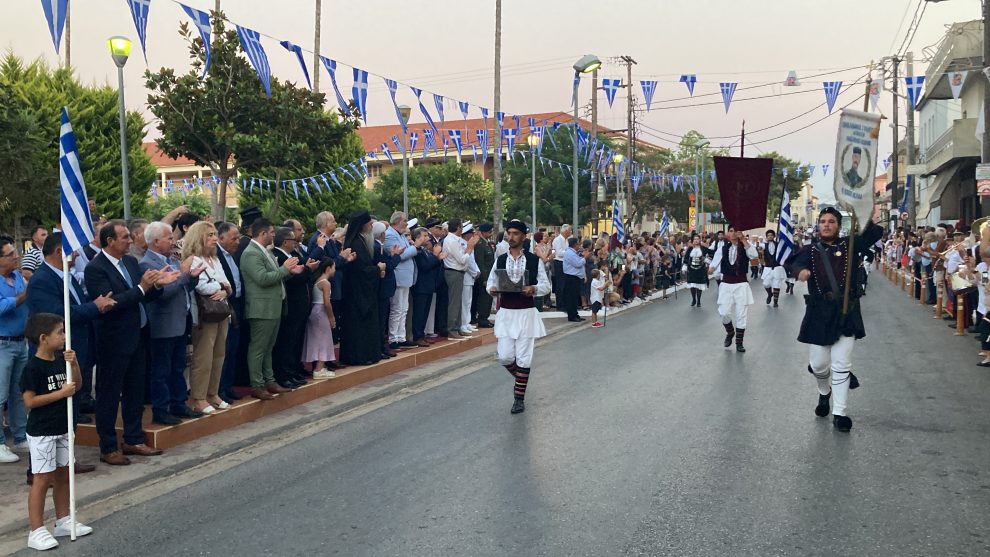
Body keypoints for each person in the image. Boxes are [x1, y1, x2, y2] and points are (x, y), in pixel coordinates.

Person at [85, 219, 178, 465]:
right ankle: (107, 446)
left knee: (136, 390)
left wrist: (158, 285)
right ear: (110, 241)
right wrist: (141, 287)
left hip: (138, 334)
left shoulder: (130, 262)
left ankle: (133, 438)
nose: (130, 240)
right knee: (109, 393)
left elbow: (143, 294)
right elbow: (110, 303)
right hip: (113, 340)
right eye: (125, 237)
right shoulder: (96, 269)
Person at [790, 208, 881, 432]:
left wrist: (867, 212)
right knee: (819, 365)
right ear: (818, 226)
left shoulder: (850, 246)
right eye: (823, 222)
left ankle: (840, 413)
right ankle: (824, 392)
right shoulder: (810, 251)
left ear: (839, 226)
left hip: (846, 313)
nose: (827, 225)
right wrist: (800, 272)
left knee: (841, 365)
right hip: (819, 314)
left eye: (831, 222)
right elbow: (792, 264)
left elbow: (873, 234)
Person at [20, 313, 94, 550]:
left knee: (64, 473)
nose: (64, 337)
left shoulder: (62, 359)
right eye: (60, 332)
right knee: (42, 478)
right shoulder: (32, 367)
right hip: (43, 431)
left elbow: (78, 385)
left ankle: (63, 519)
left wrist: (73, 363)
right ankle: (36, 529)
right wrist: (59, 394)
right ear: (43, 338)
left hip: (64, 426)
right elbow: (30, 402)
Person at [27, 232, 116, 430]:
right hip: (56, 355)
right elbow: (58, 314)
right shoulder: (42, 280)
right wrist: (95, 306)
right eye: (73, 251)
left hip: (75, 351)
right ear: (60, 252)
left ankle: (70, 457)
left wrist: (98, 306)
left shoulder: (67, 275)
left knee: (73, 403)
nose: (77, 255)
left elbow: (78, 305)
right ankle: (57, 458)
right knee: (58, 407)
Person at [140, 222, 206, 424]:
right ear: (156, 241)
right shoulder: (146, 264)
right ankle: (161, 409)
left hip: (180, 319)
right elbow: (163, 292)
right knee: (162, 369)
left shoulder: (171, 260)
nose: (173, 241)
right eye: (169, 238)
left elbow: (182, 286)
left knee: (178, 366)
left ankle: (179, 403)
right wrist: (185, 276)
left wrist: (192, 278)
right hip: (163, 324)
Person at [487, 219, 551, 414]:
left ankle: (518, 398)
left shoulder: (534, 260)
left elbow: (546, 286)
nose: (511, 237)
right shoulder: (499, 259)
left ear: (523, 236)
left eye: (515, 233)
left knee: (524, 358)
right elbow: (490, 282)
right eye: (509, 233)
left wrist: (533, 288)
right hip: (506, 312)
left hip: (526, 312)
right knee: (505, 356)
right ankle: (521, 379)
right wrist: (492, 290)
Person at [240, 218, 303, 400]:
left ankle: (269, 380)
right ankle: (257, 384)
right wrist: (285, 269)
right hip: (261, 308)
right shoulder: (251, 253)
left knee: (269, 347)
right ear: (263, 234)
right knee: (258, 348)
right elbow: (262, 279)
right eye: (272, 233)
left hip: (273, 306)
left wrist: (290, 272)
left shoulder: (264, 251)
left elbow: (275, 277)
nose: (274, 236)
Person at [184, 221, 234, 414]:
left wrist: (224, 289)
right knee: (203, 356)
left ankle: (213, 393)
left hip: (221, 311)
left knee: (219, 354)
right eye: (210, 235)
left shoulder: (215, 259)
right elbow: (202, 286)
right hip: (205, 314)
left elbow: (226, 282)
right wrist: (222, 288)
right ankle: (198, 397)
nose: (214, 238)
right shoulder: (193, 260)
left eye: (215, 234)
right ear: (199, 238)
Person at [273, 227, 317, 388]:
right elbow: (292, 278)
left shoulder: (292, 255)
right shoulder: (278, 256)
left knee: (296, 340)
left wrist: (305, 269)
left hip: (301, 305)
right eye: (293, 240)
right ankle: (284, 374)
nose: (296, 242)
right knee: (287, 341)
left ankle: (293, 370)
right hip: (290, 305)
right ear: (285, 242)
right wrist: (308, 270)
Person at [340, 211, 385, 365]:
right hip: (357, 292)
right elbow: (362, 270)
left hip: (363, 291)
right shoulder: (355, 243)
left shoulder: (360, 241)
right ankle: (360, 356)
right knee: (358, 326)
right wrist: (378, 269)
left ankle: (368, 354)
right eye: (370, 223)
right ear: (363, 225)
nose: (372, 226)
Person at [0, 235, 30, 463]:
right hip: (2, 343)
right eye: (10, 254)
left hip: (21, 341)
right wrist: (21, 298)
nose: (16, 256)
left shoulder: (18, 277)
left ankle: (20, 437)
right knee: (0, 396)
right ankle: (0, 443)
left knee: (19, 393)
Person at [708, 226, 758, 353]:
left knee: (741, 314)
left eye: (735, 231)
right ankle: (730, 332)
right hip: (726, 284)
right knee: (724, 312)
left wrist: (744, 240)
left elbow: (754, 256)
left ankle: (739, 343)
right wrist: (711, 269)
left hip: (741, 284)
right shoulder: (722, 248)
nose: (733, 233)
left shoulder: (746, 246)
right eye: (730, 231)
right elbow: (714, 263)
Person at [215, 222, 244, 403]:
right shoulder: (217, 255)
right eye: (234, 238)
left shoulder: (231, 255)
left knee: (233, 348)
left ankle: (228, 385)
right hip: (224, 306)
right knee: (223, 350)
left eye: (238, 237)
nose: (238, 241)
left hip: (237, 304)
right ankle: (220, 389)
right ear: (222, 238)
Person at [384, 212, 419, 350]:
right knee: (397, 309)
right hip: (398, 276)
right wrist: (415, 247)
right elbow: (401, 255)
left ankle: (401, 336)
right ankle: (393, 338)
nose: (406, 223)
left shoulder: (401, 235)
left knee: (404, 308)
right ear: (398, 221)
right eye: (405, 220)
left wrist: (412, 247)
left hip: (406, 277)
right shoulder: (390, 235)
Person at [442, 218, 478, 339]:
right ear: (458, 228)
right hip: (454, 272)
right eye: (461, 227)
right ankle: (452, 330)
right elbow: (462, 259)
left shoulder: (455, 240)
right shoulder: (451, 240)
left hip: (458, 272)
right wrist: (470, 247)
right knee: (454, 302)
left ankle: (457, 327)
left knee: (459, 302)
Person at [303, 258, 338, 379]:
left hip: (314, 310)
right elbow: (327, 303)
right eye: (334, 267)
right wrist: (331, 317)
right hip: (321, 311)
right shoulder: (325, 283)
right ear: (328, 268)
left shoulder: (317, 280)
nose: (335, 270)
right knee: (324, 340)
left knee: (317, 339)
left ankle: (319, 367)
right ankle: (319, 368)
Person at [412, 227, 445, 346]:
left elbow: (432, 263)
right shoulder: (418, 251)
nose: (428, 238)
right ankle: (417, 335)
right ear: (417, 237)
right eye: (425, 236)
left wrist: (437, 258)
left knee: (425, 312)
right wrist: (436, 256)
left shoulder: (425, 250)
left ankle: (422, 334)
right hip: (421, 285)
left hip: (428, 285)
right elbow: (425, 265)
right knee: (419, 312)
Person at [473, 224, 496, 328]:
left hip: (490, 275)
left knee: (488, 298)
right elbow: (480, 263)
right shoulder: (480, 244)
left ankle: (485, 317)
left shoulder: (486, 243)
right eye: (490, 232)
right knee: (484, 299)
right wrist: (484, 278)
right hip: (484, 276)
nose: (491, 234)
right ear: (484, 232)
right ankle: (482, 318)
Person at [459, 223, 481, 335]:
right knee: (464, 302)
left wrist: (477, 271)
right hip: (466, 276)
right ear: (467, 235)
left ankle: (466, 322)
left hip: (470, 276)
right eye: (471, 233)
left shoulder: (468, 244)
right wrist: (474, 272)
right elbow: (467, 261)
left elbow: (473, 260)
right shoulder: (463, 244)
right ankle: (463, 324)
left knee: (468, 302)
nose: (473, 235)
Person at [562, 236, 586, 322]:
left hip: (576, 277)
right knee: (571, 297)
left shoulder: (574, 252)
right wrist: (585, 258)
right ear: (575, 244)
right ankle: (572, 316)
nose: (579, 245)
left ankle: (575, 314)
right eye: (578, 244)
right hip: (571, 277)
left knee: (575, 297)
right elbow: (578, 263)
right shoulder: (570, 253)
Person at [762, 229, 786, 307]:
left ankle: (775, 302)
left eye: (771, 235)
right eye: (768, 235)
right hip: (768, 268)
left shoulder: (779, 245)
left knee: (776, 285)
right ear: (766, 237)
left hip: (777, 267)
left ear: (774, 236)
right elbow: (760, 255)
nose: (770, 236)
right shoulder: (763, 246)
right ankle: (770, 294)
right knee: (766, 284)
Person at [683, 235, 709, 308]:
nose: (696, 240)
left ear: (699, 240)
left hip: (701, 270)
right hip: (691, 270)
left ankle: (699, 301)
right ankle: (694, 299)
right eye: (694, 239)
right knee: (692, 285)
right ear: (692, 241)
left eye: (697, 239)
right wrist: (684, 267)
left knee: (699, 286)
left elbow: (710, 254)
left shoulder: (703, 249)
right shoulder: (690, 249)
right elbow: (686, 258)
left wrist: (707, 260)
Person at [551, 225, 570, 307]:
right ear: (565, 231)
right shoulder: (557, 240)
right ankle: (560, 303)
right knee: (560, 283)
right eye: (570, 230)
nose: (570, 232)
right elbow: (558, 253)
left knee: (565, 283)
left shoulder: (566, 240)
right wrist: (568, 252)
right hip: (559, 263)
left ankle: (564, 302)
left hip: (565, 263)